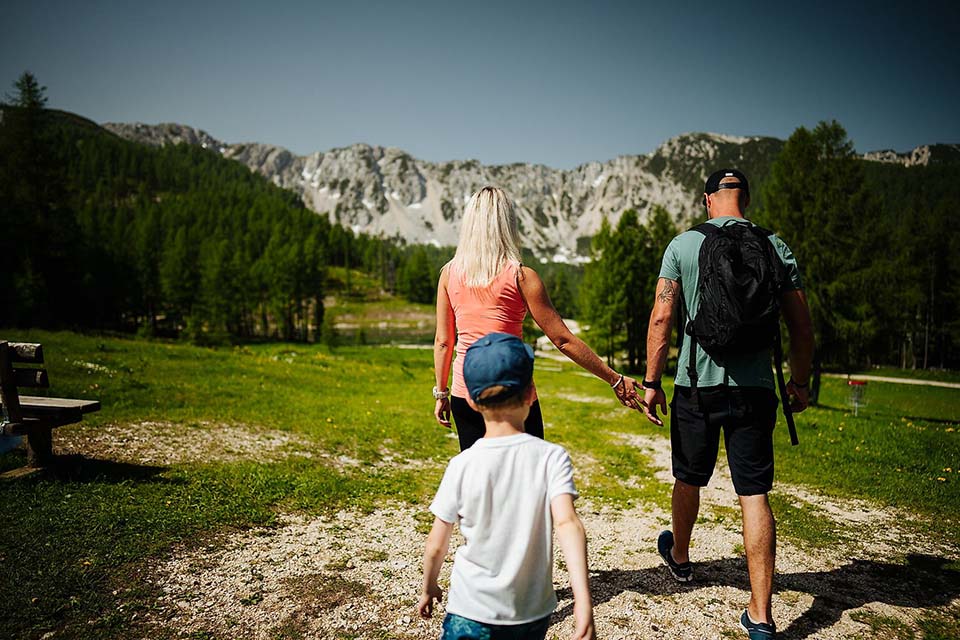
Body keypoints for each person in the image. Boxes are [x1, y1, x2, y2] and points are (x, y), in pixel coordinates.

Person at [641, 169, 814, 640]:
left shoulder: (682, 246)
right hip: (756, 387)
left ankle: (679, 557)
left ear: (707, 200)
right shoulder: (774, 247)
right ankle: (760, 614)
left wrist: (651, 382)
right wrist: (799, 384)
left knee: (688, 475)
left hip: (697, 384)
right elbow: (802, 328)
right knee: (754, 492)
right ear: (746, 199)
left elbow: (662, 317)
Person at [434, 186, 641, 451]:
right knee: (527, 478)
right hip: (515, 395)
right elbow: (562, 339)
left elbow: (443, 341)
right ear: (507, 223)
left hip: (467, 393)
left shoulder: (449, 274)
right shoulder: (521, 276)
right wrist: (614, 378)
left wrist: (441, 393)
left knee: (482, 478)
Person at [417, 332, 595, 640]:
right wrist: (583, 601)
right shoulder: (551, 458)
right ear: (530, 394)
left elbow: (436, 544)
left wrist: (429, 586)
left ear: (471, 401)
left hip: (469, 610)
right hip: (530, 613)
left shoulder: (462, 465)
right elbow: (568, 525)